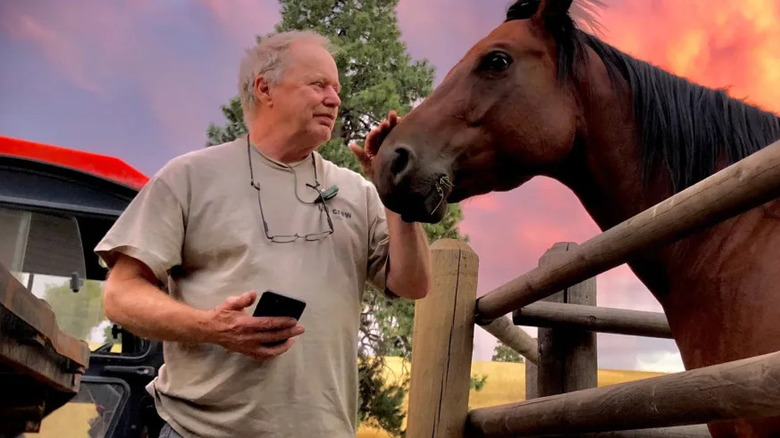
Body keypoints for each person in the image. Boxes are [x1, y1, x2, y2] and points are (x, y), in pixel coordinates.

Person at [95, 30, 431, 438]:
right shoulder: (189, 177)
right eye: (318, 84)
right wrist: (210, 327)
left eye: (337, 88)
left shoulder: (358, 192)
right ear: (265, 88)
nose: (335, 99)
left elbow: (412, 284)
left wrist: (393, 188)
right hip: (199, 431)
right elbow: (121, 295)